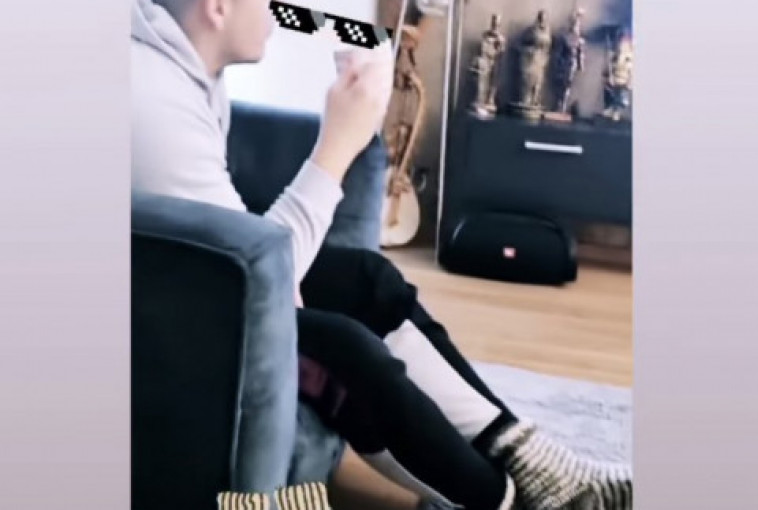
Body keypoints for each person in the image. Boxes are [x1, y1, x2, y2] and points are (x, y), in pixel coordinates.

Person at [131, 1, 632, 510]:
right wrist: (337, 144)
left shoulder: (185, 67)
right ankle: (506, 502)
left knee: (366, 279)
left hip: (171, 277)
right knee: (346, 349)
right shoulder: (153, 102)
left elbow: (230, 246)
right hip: (151, 326)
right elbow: (248, 276)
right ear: (218, 7)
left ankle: (539, 464)